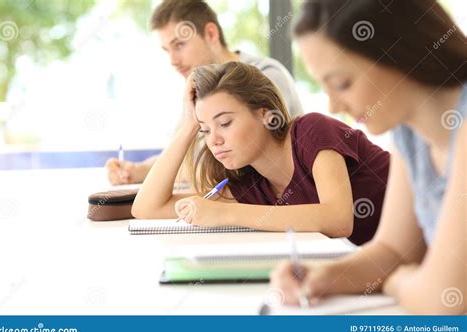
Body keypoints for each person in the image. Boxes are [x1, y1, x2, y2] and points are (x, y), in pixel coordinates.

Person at [270, 0, 466, 314]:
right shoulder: (409, 131)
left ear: (400, 51)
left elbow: (443, 297)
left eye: (342, 83)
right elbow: (394, 251)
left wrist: (398, 282)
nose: (333, 106)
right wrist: (325, 276)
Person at [132, 61, 390, 245]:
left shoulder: (312, 131)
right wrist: (189, 125)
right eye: (205, 130)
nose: (215, 140)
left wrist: (224, 213)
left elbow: (338, 219)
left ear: (265, 115)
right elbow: (147, 208)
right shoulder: (251, 184)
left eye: (224, 123)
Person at [105, 0, 303, 185]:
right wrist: (137, 170)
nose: (173, 61)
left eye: (179, 45)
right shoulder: (202, 90)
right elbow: (184, 155)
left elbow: (234, 170)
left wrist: (182, 171)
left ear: (211, 33)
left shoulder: (267, 75)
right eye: (167, 50)